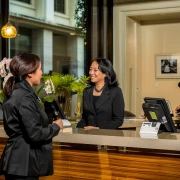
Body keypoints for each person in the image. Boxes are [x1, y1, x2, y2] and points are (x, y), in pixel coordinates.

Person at [0, 52, 63, 180]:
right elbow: (35, 135)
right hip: (24, 164)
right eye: (39, 69)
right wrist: (55, 127)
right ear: (30, 72)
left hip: (16, 162)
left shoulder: (13, 92)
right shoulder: (25, 97)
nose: (41, 72)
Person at [76, 58, 125, 130]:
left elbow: (118, 121)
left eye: (95, 70)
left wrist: (99, 128)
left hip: (107, 136)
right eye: (90, 69)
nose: (91, 73)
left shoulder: (115, 92)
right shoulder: (87, 91)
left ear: (105, 73)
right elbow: (85, 118)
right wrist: (76, 129)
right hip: (88, 136)